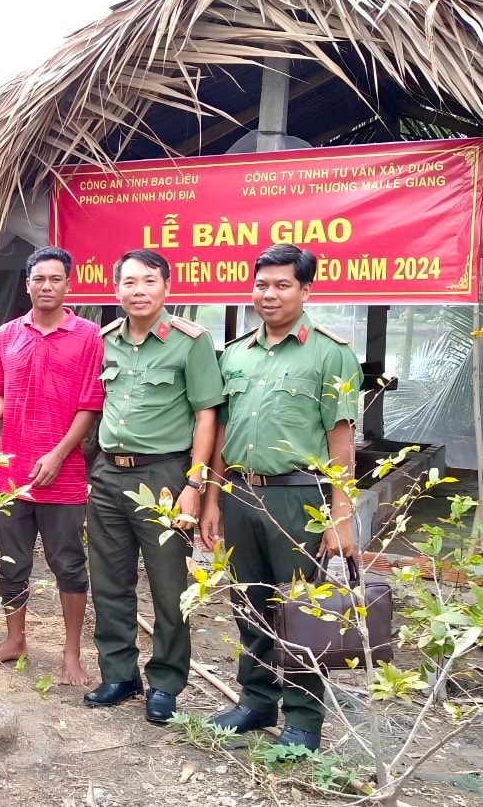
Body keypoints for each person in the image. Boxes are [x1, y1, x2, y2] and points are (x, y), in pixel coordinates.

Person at [201, 244, 361, 751]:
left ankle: (303, 721)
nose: (269, 295)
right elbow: (223, 430)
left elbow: (341, 443)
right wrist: (211, 499)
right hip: (242, 495)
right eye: (262, 284)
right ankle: (255, 700)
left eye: (282, 285)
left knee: (298, 609)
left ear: (305, 290)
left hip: (298, 498)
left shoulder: (330, 352)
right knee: (248, 602)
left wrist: (341, 515)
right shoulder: (236, 353)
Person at [83, 250, 224, 723]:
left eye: (148, 281)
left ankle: (165, 681)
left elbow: (208, 416)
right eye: (128, 282)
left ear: (167, 285)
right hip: (107, 475)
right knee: (109, 582)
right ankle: (119, 674)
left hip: (165, 476)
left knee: (168, 586)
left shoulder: (190, 342)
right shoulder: (104, 341)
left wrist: (195, 484)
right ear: (116, 289)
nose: (138, 290)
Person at [0, 246, 104, 686]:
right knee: (11, 561)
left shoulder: (88, 337)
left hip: (63, 476)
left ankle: (71, 654)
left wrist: (59, 453)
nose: (47, 286)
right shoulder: (6, 335)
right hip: (10, 472)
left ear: (69, 284)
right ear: (27, 283)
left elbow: (90, 405)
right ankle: (14, 639)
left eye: (55, 279)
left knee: (68, 563)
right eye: (39, 279)